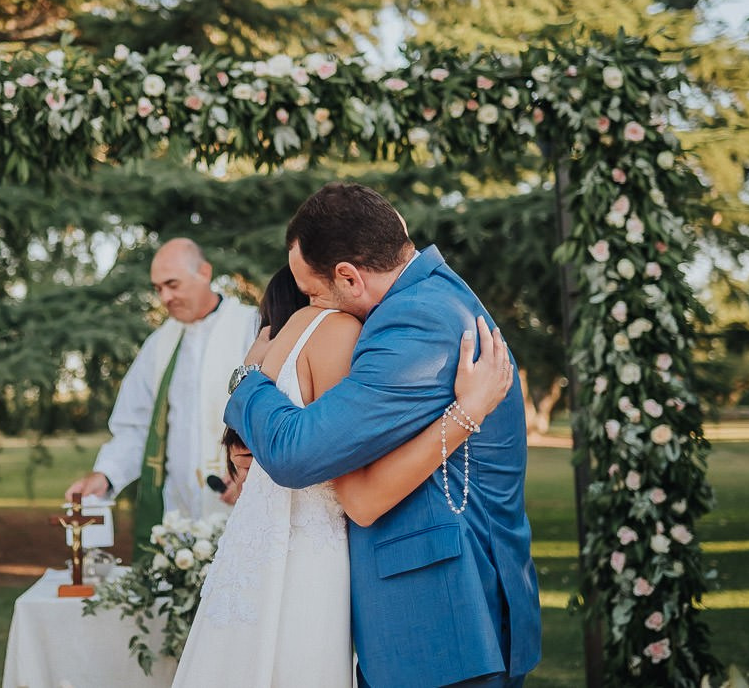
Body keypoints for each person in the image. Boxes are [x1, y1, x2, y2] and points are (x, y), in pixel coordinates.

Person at [226, 182, 542, 688]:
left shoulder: (414, 323)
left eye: (312, 293)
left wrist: (245, 382)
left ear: (348, 277)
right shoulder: (435, 296)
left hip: (444, 618)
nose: (311, 308)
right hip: (441, 614)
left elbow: (296, 452)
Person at [173, 263, 515, 688]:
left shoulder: (269, 363)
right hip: (311, 566)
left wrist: (244, 377)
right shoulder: (335, 332)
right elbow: (354, 484)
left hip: (257, 563)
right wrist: (467, 412)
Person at [65, 238, 259, 555]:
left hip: (242, 505)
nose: (165, 297)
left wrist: (253, 471)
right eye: (158, 288)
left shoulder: (251, 326)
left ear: (205, 272)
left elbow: (282, 406)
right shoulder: (160, 344)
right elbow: (135, 425)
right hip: (180, 513)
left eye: (172, 284)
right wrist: (106, 475)